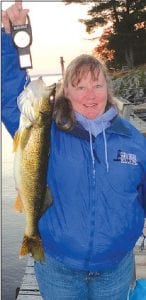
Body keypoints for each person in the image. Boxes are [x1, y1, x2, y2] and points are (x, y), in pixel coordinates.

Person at [2, 2, 146, 300]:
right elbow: (11, 95)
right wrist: (11, 36)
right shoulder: (46, 130)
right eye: (79, 87)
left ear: (109, 89)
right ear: (66, 92)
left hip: (115, 268)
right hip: (58, 267)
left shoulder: (132, 138)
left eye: (97, 85)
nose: (90, 95)